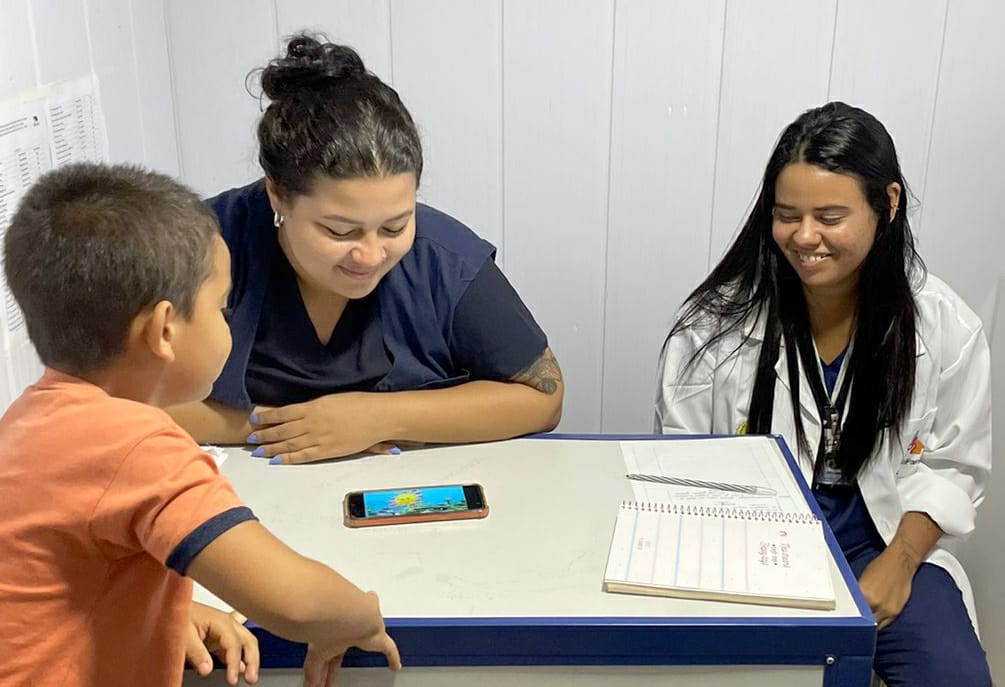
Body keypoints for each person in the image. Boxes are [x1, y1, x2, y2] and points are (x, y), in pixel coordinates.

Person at [0, 163, 401, 687]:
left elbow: (48, 586)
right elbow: (298, 602)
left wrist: (171, 610)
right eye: (222, 306)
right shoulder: (138, 445)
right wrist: (358, 614)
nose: (228, 321)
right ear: (165, 330)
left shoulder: (29, 422)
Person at [656, 102, 992, 686]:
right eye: (787, 215)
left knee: (953, 676)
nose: (804, 237)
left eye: (830, 216)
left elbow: (953, 465)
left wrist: (902, 561)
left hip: (883, 541)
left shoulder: (945, 327)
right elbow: (683, 461)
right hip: (748, 547)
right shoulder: (712, 329)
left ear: (887, 204)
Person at [167, 34, 563, 464]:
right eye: (340, 231)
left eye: (395, 225)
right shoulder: (201, 247)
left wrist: (380, 417)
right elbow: (113, 398)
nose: (371, 255)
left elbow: (544, 397)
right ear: (277, 195)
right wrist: (288, 428)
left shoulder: (445, 259)